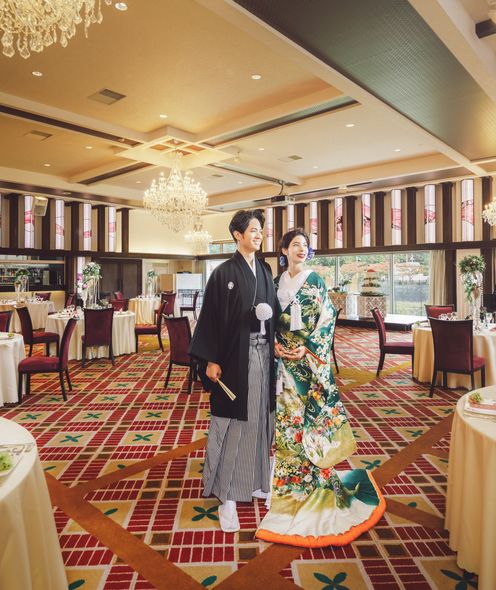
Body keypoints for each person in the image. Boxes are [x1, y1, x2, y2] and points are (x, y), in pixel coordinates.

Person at [256, 228, 385, 547]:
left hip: (308, 364)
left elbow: (326, 322)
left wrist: (309, 348)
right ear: (283, 250)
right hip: (282, 364)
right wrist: (273, 344)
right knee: (287, 423)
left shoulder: (315, 281)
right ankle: (287, 480)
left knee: (307, 421)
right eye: (295, 244)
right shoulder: (275, 283)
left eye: (305, 245)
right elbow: (268, 320)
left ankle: (312, 478)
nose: (301, 249)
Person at [189, 209, 276, 533]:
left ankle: (255, 481)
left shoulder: (265, 270)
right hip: (235, 357)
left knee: (260, 418)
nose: (259, 234)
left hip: (264, 354)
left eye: (260, 230)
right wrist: (211, 359)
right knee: (235, 422)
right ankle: (226, 495)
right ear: (237, 235)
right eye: (253, 230)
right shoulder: (223, 272)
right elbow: (211, 317)